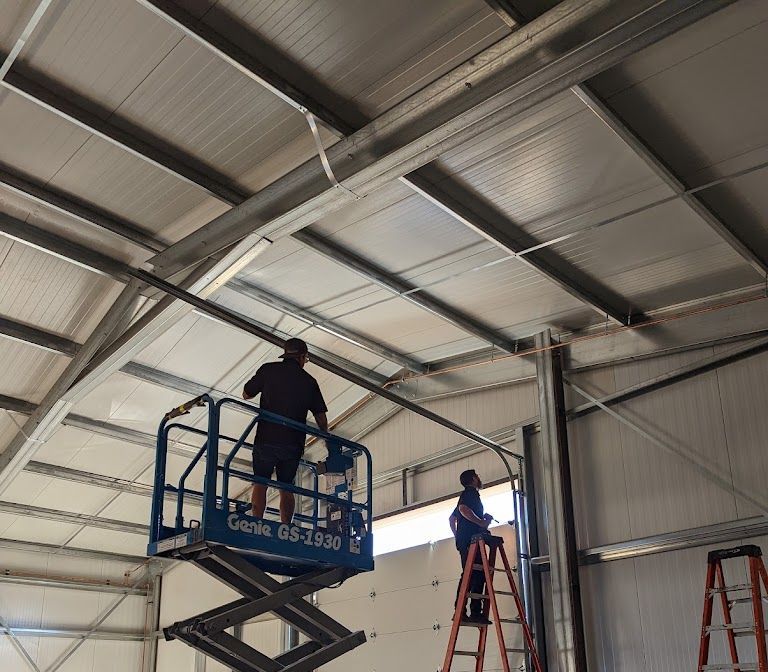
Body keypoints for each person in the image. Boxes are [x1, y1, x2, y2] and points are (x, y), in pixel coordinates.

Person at [242, 338, 328, 523]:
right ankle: (286, 527)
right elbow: (321, 417)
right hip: (292, 443)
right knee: (286, 487)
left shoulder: (268, 370)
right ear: (302, 357)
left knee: (260, 482)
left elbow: (246, 394)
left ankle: (257, 523)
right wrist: (326, 439)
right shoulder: (309, 381)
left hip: (266, 438)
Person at [449, 469, 493, 624]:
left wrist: (458, 536)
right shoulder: (470, 493)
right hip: (471, 541)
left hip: (467, 541)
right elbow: (463, 510)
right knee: (476, 574)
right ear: (473, 479)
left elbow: (452, 519)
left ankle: (463, 611)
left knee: (471, 574)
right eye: (477, 476)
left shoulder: (466, 495)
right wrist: (481, 522)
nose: (479, 478)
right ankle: (472, 612)